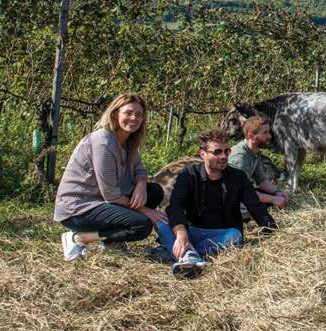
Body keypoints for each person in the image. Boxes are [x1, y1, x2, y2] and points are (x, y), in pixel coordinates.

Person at [54, 93, 167, 261]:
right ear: (115, 113)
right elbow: (111, 194)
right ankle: (77, 238)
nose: (134, 118)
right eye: (128, 113)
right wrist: (145, 210)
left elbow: (139, 169)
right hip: (79, 207)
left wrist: (142, 184)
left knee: (155, 191)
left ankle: (111, 242)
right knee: (142, 225)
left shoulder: (129, 141)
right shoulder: (103, 142)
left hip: (102, 201)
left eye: (139, 114)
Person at [156, 128, 277, 277]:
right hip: (191, 231)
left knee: (235, 236)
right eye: (217, 152)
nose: (223, 156)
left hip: (222, 234)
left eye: (227, 151)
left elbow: (255, 206)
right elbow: (175, 206)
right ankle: (191, 257)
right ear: (203, 154)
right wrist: (181, 233)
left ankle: (184, 256)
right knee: (161, 223)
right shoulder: (188, 175)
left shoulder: (237, 177)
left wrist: (274, 231)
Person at [228, 116, 290, 212]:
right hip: (229, 198)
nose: (269, 136)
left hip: (242, 192)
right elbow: (240, 191)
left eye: (269, 132)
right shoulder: (240, 158)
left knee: (274, 198)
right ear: (251, 136)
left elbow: (262, 181)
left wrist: (277, 193)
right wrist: (273, 200)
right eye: (265, 133)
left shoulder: (254, 151)